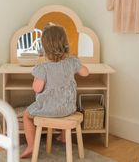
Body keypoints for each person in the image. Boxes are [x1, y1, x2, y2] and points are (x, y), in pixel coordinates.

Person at [20, 24, 89, 158]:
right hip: (69, 108)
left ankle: (31, 146)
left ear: (44, 47)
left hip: (48, 110)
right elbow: (85, 73)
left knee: (26, 116)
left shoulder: (42, 68)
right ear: (65, 44)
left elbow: (37, 88)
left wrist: (35, 80)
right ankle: (64, 137)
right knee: (62, 104)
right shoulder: (72, 62)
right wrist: (79, 65)